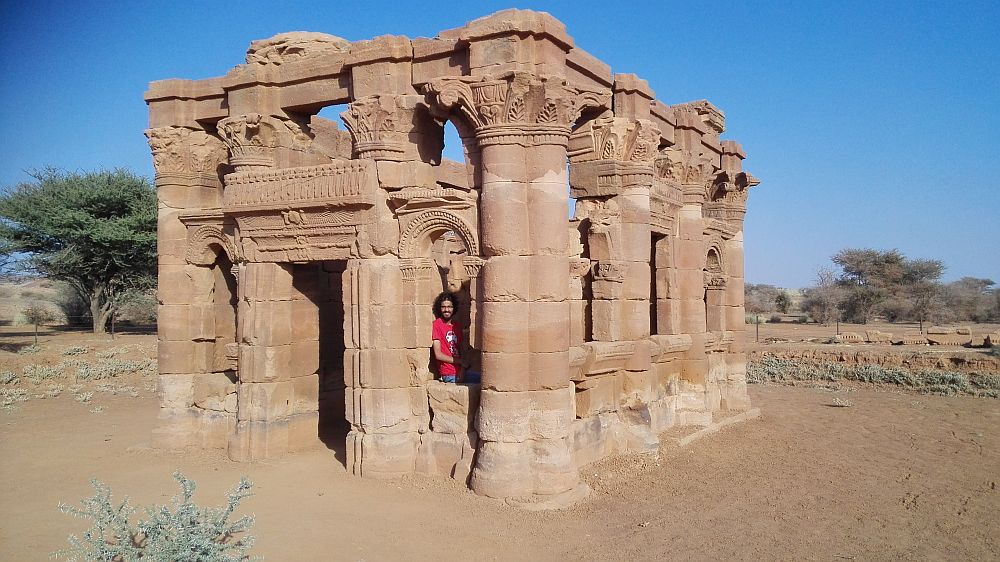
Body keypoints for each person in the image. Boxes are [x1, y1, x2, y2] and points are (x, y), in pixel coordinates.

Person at [431, 292, 462, 383]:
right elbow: (438, 355)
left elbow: (462, 351)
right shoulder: (436, 325)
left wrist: (463, 369)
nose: (446, 310)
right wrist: (460, 361)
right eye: (443, 307)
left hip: (461, 371)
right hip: (448, 373)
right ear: (439, 308)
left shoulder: (457, 326)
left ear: (454, 308)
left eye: (449, 307)